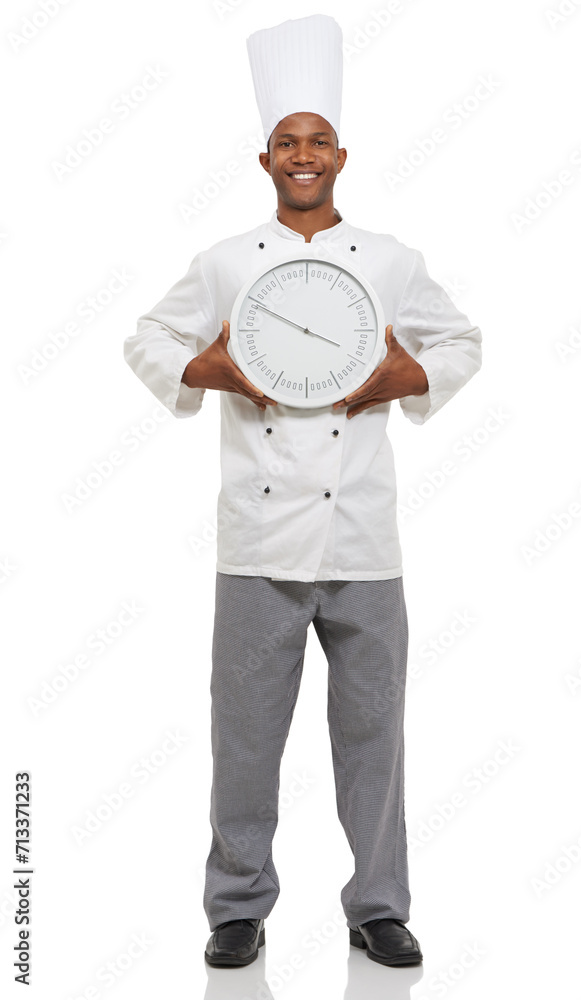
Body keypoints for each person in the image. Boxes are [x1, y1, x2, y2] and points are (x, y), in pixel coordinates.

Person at [123, 14, 482, 969]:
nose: (304, 155)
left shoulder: (392, 261)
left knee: (375, 739)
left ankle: (378, 906)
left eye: (318, 140)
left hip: (364, 542)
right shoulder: (225, 262)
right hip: (257, 544)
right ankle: (237, 908)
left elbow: (462, 342)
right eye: (288, 141)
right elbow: (147, 339)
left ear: (342, 155)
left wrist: (408, 377)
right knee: (244, 739)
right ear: (265, 158)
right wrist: (210, 369)